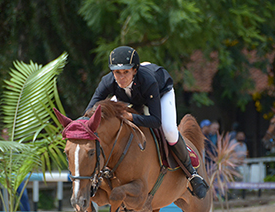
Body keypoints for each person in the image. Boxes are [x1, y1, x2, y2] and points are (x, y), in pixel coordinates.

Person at [85, 46, 208, 199]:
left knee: (169, 130)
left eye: (126, 72)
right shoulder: (108, 81)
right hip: (130, 96)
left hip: (160, 92)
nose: (121, 77)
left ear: (134, 70)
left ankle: (192, 174)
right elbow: (90, 111)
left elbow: (155, 121)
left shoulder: (148, 81)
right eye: (117, 72)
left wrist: (130, 117)